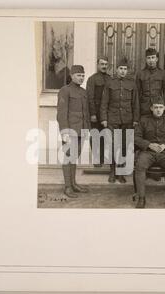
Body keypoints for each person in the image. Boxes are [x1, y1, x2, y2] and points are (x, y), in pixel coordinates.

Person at [134, 96, 165, 209]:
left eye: (161, 107)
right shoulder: (144, 120)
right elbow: (135, 137)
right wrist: (149, 144)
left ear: (164, 108)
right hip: (147, 152)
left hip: (164, 153)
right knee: (140, 166)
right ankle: (141, 198)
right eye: (156, 107)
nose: (158, 110)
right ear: (151, 108)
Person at [100, 57, 139, 184]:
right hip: (112, 119)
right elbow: (104, 102)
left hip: (127, 119)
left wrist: (135, 120)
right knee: (112, 146)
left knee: (123, 147)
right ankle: (112, 171)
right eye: (121, 68)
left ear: (127, 70)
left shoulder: (132, 84)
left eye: (125, 69)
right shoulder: (110, 83)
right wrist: (104, 119)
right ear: (116, 69)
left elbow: (135, 103)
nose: (123, 71)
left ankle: (120, 172)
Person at [56, 65, 90, 198]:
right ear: (71, 75)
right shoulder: (65, 91)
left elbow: (86, 112)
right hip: (70, 130)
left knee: (74, 157)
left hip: (81, 129)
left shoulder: (83, 91)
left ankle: (74, 184)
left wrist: (86, 129)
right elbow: (61, 113)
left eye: (83, 75)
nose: (81, 78)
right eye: (78, 75)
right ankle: (68, 187)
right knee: (68, 157)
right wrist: (64, 132)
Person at [86, 56, 111, 167]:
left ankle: (103, 157)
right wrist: (92, 114)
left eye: (106, 64)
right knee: (95, 135)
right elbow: (89, 97)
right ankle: (97, 158)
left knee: (105, 135)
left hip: (106, 113)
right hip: (96, 112)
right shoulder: (92, 79)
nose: (104, 66)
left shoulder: (110, 79)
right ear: (97, 65)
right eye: (102, 64)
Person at [135, 48, 165, 118]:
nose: (151, 60)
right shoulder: (140, 74)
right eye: (148, 58)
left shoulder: (163, 73)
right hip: (144, 108)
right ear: (146, 59)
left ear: (156, 59)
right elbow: (137, 94)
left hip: (158, 108)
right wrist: (137, 114)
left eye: (153, 57)